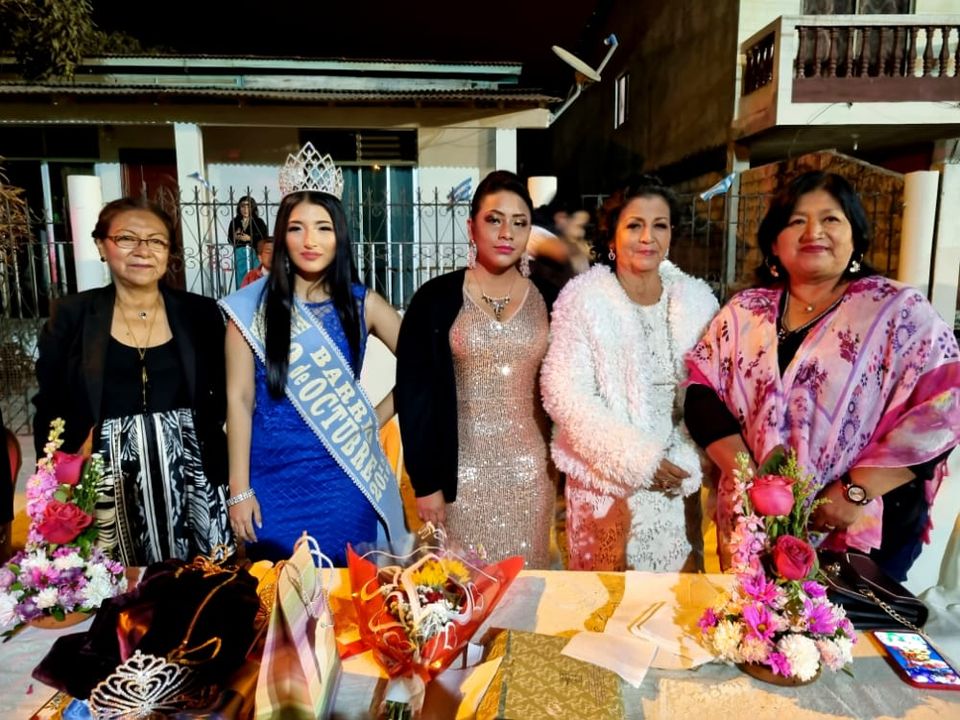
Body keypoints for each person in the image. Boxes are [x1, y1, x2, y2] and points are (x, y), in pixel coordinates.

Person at [685, 171, 960, 580]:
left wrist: (855, 491)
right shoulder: (743, 313)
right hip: (754, 525)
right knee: (756, 617)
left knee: (842, 622)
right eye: (797, 220)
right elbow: (701, 393)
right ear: (774, 244)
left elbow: (945, 405)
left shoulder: (897, 312)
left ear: (856, 237)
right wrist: (756, 485)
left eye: (831, 218)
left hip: (857, 526)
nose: (813, 231)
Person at [220, 144, 406, 564]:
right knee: (277, 591)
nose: (310, 241)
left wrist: (373, 418)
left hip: (346, 480)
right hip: (270, 482)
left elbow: (423, 366)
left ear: (339, 235)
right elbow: (240, 400)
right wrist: (239, 489)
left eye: (323, 228)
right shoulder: (249, 308)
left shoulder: (363, 304)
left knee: (347, 590)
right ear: (280, 236)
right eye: (296, 228)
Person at [32, 197, 232, 565]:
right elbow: (50, 403)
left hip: (192, 475)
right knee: (117, 586)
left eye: (156, 241)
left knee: (200, 581)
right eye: (126, 238)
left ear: (169, 252)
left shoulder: (200, 312)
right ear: (101, 245)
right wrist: (53, 483)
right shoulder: (72, 315)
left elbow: (225, 393)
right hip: (105, 480)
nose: (143, 250)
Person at [540, 177, 719, 572]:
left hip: (676, 483)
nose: (647, 237)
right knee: (606, 602)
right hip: (606, 482)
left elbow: (711, 393)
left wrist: (684, 460)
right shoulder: (584, 299)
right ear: (612, 235)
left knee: (677, 601)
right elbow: (564, 393)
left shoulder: (697, 302)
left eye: (660, 225)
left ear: (672, 234)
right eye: (635, 225)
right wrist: (638, 460)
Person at [396, 170, 557, 568]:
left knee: (527, 585)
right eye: (493, 220)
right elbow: (415, 394)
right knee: (462, 588)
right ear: (471, 228)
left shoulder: (551, 300)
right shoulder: (434, 299)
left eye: (519, 223)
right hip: (459, 480)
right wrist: (426, 483)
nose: (506, 233)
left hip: (530, 474)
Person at [227, 196, 269, 290]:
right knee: (241, 279)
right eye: (243, 206)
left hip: (254, 252)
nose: (245, 209)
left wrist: (250, 238)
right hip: (240, 254)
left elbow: (263, 238)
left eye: (248, 206)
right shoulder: (235, 222)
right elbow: (230, 239)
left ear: (252, 208)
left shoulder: (258, 222)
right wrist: (236, 237)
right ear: (239, 208)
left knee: (255, 277)